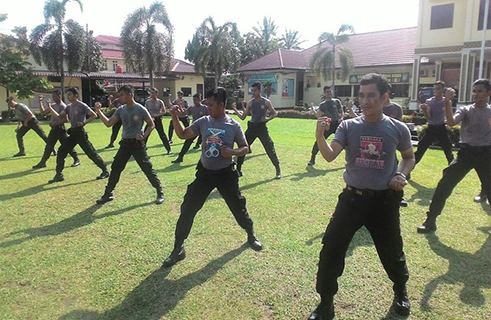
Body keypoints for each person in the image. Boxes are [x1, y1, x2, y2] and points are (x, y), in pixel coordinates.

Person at [308, 73, 414, 319]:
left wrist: (401, 174)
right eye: (361, 95)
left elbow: (408, 157)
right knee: (331, 248)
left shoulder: (397, 128)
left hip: (384, 202)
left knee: (392, 251)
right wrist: (319, 136)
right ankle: (326, 303)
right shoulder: (348, 126)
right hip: (352, 200)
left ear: (384, 97)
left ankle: (400, 291)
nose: (364, 101)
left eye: (371, 96)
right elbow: (329, 155)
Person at [161, 87, 263, 268]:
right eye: (207, 104)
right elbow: (183, 134)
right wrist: (175, 117)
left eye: (211, 104)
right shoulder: (203, 122)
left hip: (225, 174)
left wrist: (232, 151)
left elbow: (245, 147)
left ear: (221, 105)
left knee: (238, 207)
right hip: (205, 174)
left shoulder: (233, 125)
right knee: (188, 207)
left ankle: (250, 233)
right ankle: (178, 248)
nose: (207, 107)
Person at [417, 79, 491, 233]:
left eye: (480, 91)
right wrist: (448, 101)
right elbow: (450, 122)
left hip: (485, 154)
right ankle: (430, 221)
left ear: (488, 93)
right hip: (466, 153)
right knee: (444, 184)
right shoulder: (466, 110)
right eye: (474, 90)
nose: (476, 94)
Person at [94, 85, 164, 205]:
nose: (120, 98)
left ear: (130, 94)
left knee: (147, 168)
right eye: (119, 95)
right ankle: (107, 194)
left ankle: (160, 192)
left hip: (137, 144)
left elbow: (151, 124)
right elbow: (108, 123)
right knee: (116, 168)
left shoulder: (140, 109)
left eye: (122, 95)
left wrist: (144, 136)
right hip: (125, 144)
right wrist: (99, 111)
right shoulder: (121, 110)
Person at [48, 87, 108, 184]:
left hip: (80, 133)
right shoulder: (68, 107)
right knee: (61, 151)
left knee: (91, 153)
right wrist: (50, 108)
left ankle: (105, 171)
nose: (68, 96)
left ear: (76, 96)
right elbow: (59, 116)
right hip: (73, 133)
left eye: (70, 94)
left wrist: (84, 122)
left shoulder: (82, 105)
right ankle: (58, 175)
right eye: (67, 94)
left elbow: (94, 115)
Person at [232, 82, 281, 179]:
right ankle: (239, 170)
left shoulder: (266, 102)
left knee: (269, 148)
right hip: (252, 128)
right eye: (252, 91)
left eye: (255, 90)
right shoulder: (250, 103)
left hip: (261, 128)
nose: (253, 92)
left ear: (260, 90)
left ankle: (278, 170)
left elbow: (275, 113)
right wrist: (235, 109)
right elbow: (243, 117)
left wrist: (267, 119)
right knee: (243, 147)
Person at [32, 91, 80, 169]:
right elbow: (43, 112)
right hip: (54, 130)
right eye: (52, 97)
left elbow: (66, 119)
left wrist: (56, 124)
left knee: (67, 146)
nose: (53, 98)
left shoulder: (63, 106)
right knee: (49, 146)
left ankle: (76, 159)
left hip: (60, 130)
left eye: (54, 97)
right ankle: (43, 162)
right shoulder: (53, 106)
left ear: (59, 97)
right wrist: (40, 102)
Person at [413, 81, 454, 168]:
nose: (436, 91)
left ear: (443, 90)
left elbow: (449, 115)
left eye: (438, 89)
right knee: (421, 149)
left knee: (448, 151)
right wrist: (424, 110)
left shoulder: (446, 101)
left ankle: (453, 171)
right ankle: (408, 169)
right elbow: (429, 117)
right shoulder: (429, 101)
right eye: (434, 89)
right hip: (431, 128)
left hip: (441, 127)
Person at [307, 86, 344, 166]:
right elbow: (319, 116)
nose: (329, 93)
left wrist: (341, 118)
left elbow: (341, 112)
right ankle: (312, 159)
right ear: (324, 93)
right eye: (327, 92)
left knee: (345, 141)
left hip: (338, 124)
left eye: (330, 92)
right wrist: (313, 109)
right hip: (328, 125)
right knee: (319, 141)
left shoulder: (337, 101)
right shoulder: (322, 105)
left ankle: (351, 159)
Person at [171, 93, 208, 163]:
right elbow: (183, 114)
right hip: (195, 128)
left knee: (206, 144)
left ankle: (205, 160)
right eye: (193, 100)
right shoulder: (192, 108)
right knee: (187, 142)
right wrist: (179, 106)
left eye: (196, 100)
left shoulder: (205, 108)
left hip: (204, 128)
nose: (194, 101)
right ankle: (180, 157)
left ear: (200, 99)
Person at [143, 87, 172, 154]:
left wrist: (157, 115)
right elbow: (145, 111)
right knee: (145, 134)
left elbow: (164, 111)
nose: (152, 94)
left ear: (157, 94)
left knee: (162, 135)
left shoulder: (160, 102)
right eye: (151, 93)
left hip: (158, 120)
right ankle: (142, 149)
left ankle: (168, 149)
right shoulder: (148, 102)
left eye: (153, 93)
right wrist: (149, 117)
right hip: (150, 120)